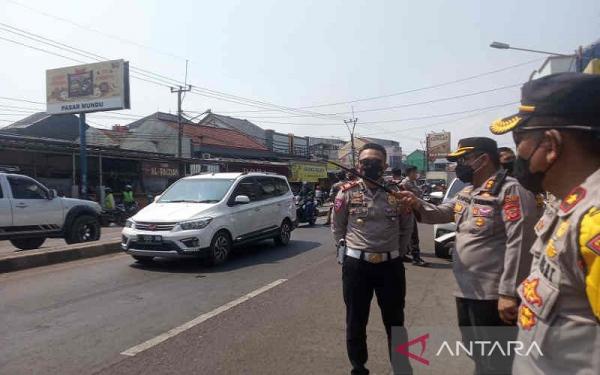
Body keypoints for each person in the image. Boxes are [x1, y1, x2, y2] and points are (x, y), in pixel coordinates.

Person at [489, 72, 600, 374]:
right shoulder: (565, 203)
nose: (516, 154)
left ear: (550, 144)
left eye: (519, 139)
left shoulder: (593, 223)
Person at [399, 137, 539, 374]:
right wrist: (416, 203)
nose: (458, 165)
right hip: (466, 290)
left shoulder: (511, 191)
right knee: (477, 353)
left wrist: (508, 292)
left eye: (463, 159)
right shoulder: (469, 191)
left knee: (497, 361)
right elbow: (442, 213)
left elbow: (521, 243)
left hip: (493, 296)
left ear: (483, 159)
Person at [332, 143, 413, 375]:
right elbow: (337, 227)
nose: (370, 166)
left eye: (376, 162)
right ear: (358, 165)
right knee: (356, 321)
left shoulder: (397, 193)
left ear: (385, 165)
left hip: (391, 267)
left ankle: (400, 367)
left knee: (395, 322)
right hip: (357, 267)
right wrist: (344, 252)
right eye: (366, 162)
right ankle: (358, 367)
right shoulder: (346, 192)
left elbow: (407, 227)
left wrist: (395, 253)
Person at [400, 166, 429, 267]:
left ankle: (403, 254)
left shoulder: (413, 182)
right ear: (409, 173)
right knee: (413, 236)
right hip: (407, 212)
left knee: (410, 234)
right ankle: (416, 258)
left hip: (413, 211)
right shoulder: (404, 183)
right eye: (414, 172)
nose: (416, 174)